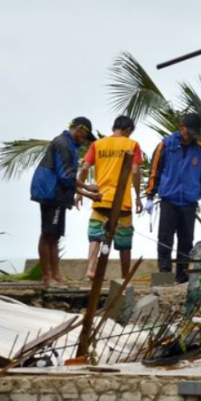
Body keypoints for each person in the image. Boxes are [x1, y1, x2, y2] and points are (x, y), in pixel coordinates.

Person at [145, 112, 201, 284]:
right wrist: (150, 196)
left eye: (194, 133)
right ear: (181, 127)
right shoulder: (166, 145)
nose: (190, 136)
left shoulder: (200, 150)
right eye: (188, 132)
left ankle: (182, 276)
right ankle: (164, 274)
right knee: (165, 238)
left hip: (189, 202)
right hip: (169, 199)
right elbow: (155, 171)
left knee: (186, 240)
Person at [30, 117, 99, 286]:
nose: (84, 141)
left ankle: (56, 275)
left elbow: (67, 178)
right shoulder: (63, 144)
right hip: (51, 193)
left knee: (55, 236)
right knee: (47, 234)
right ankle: (47, 276)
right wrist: (88, 189)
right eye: (85, 136)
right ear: (80, 129)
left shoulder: (69, 145)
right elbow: (66, 176)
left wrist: (86, 192)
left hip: (58, 195)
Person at [77, 115, 144, 280]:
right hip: (122, 202)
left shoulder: (97, 144)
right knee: (124, 242)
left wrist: (79, 191)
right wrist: (137, 196)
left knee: (95, 235)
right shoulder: (132, 144)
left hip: (100, 198)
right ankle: (124, 277)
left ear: (114, 127)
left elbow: (84, 168)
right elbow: (135, 172)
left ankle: (91, 270)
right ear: (128, 130)